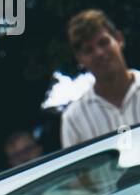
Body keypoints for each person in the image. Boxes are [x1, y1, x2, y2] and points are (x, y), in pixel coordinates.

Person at [60, 9, 140, 148]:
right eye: (88, 50)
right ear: (80, 59)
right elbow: (80, 170)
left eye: (103, 42)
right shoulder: (74, 119)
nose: (99, 53)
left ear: (119, 39)